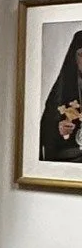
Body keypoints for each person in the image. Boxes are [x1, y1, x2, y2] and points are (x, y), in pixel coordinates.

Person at [38, 29, 82, 161]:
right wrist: (59, 130)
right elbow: (46, 127)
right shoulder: (63, 88)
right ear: (74, 58)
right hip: (70, 157)